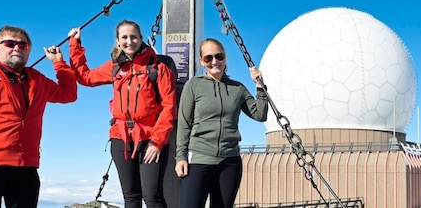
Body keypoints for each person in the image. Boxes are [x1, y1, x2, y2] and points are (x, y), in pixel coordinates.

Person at [0, 25, 78, 208]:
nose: (17, 48)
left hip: (26, 168)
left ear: (29, 50)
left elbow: (68, 94)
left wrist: (59, 63)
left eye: (23, 45)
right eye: (10, 43)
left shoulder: (37, 80)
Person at [67, 20, 176, 208]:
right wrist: (75, 45)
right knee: (131, 196)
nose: (129, 41)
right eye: (124, 37)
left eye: (133, 36)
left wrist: (157, 142)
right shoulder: (115, 67)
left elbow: (169, 107)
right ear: (118, 41)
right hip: (121, 138)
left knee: (152, 196)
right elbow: (86, 77)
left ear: (141, 39)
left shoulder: (158, 68)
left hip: (150, 139)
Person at [175, 38, 269, 208]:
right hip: (199, 160)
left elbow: (259, 114)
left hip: (229, 162)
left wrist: (260, 87)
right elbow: (184, 123)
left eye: (219, 56)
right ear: (201, 62)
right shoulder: (194, 86)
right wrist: (181, 157)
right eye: (208, 58)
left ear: (225, 58)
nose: (214, 61)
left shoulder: (237, 88)